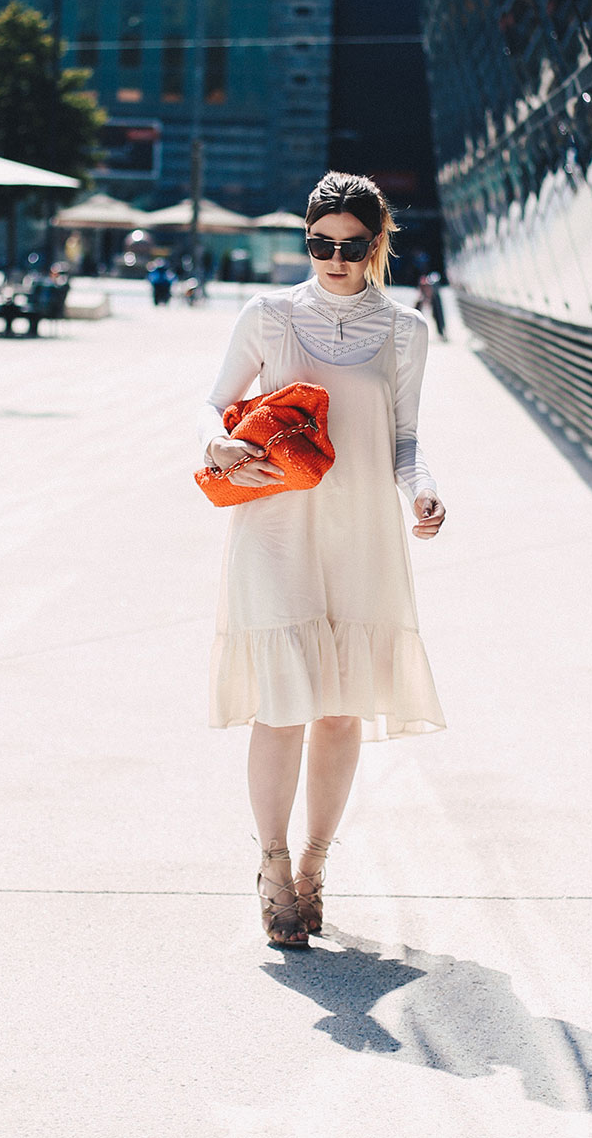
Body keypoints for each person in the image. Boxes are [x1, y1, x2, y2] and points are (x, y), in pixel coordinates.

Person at [197, 171, 447, 947]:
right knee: (281, 708)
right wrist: (215, 441)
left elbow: (404, 440)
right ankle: (271, 869)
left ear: (377, 245)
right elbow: (216, 404)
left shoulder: (408, 331)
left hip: (364, 535)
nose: (334, 259)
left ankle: (313, 868)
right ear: (306, 240)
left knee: (340, 713)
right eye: (319, 244)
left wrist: (424, 492)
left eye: (350, 245)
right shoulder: (268, 315)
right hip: (275, 530)